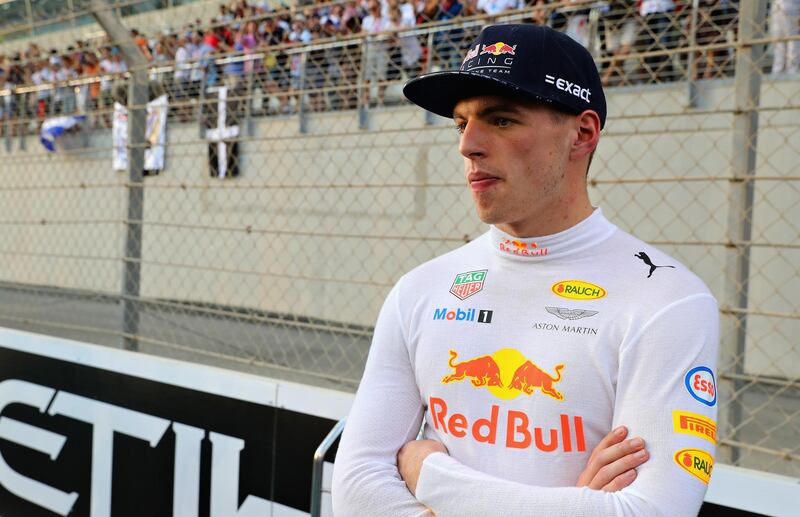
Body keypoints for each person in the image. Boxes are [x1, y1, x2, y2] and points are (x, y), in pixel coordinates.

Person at [332, 23, 719, 516]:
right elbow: (355, 494)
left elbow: (652, 512)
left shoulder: (668, 300)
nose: (467, 145)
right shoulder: (420, 289)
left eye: (502, 120)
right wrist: (573, 505)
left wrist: (430, 475)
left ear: (583, 133)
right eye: (460, 123)